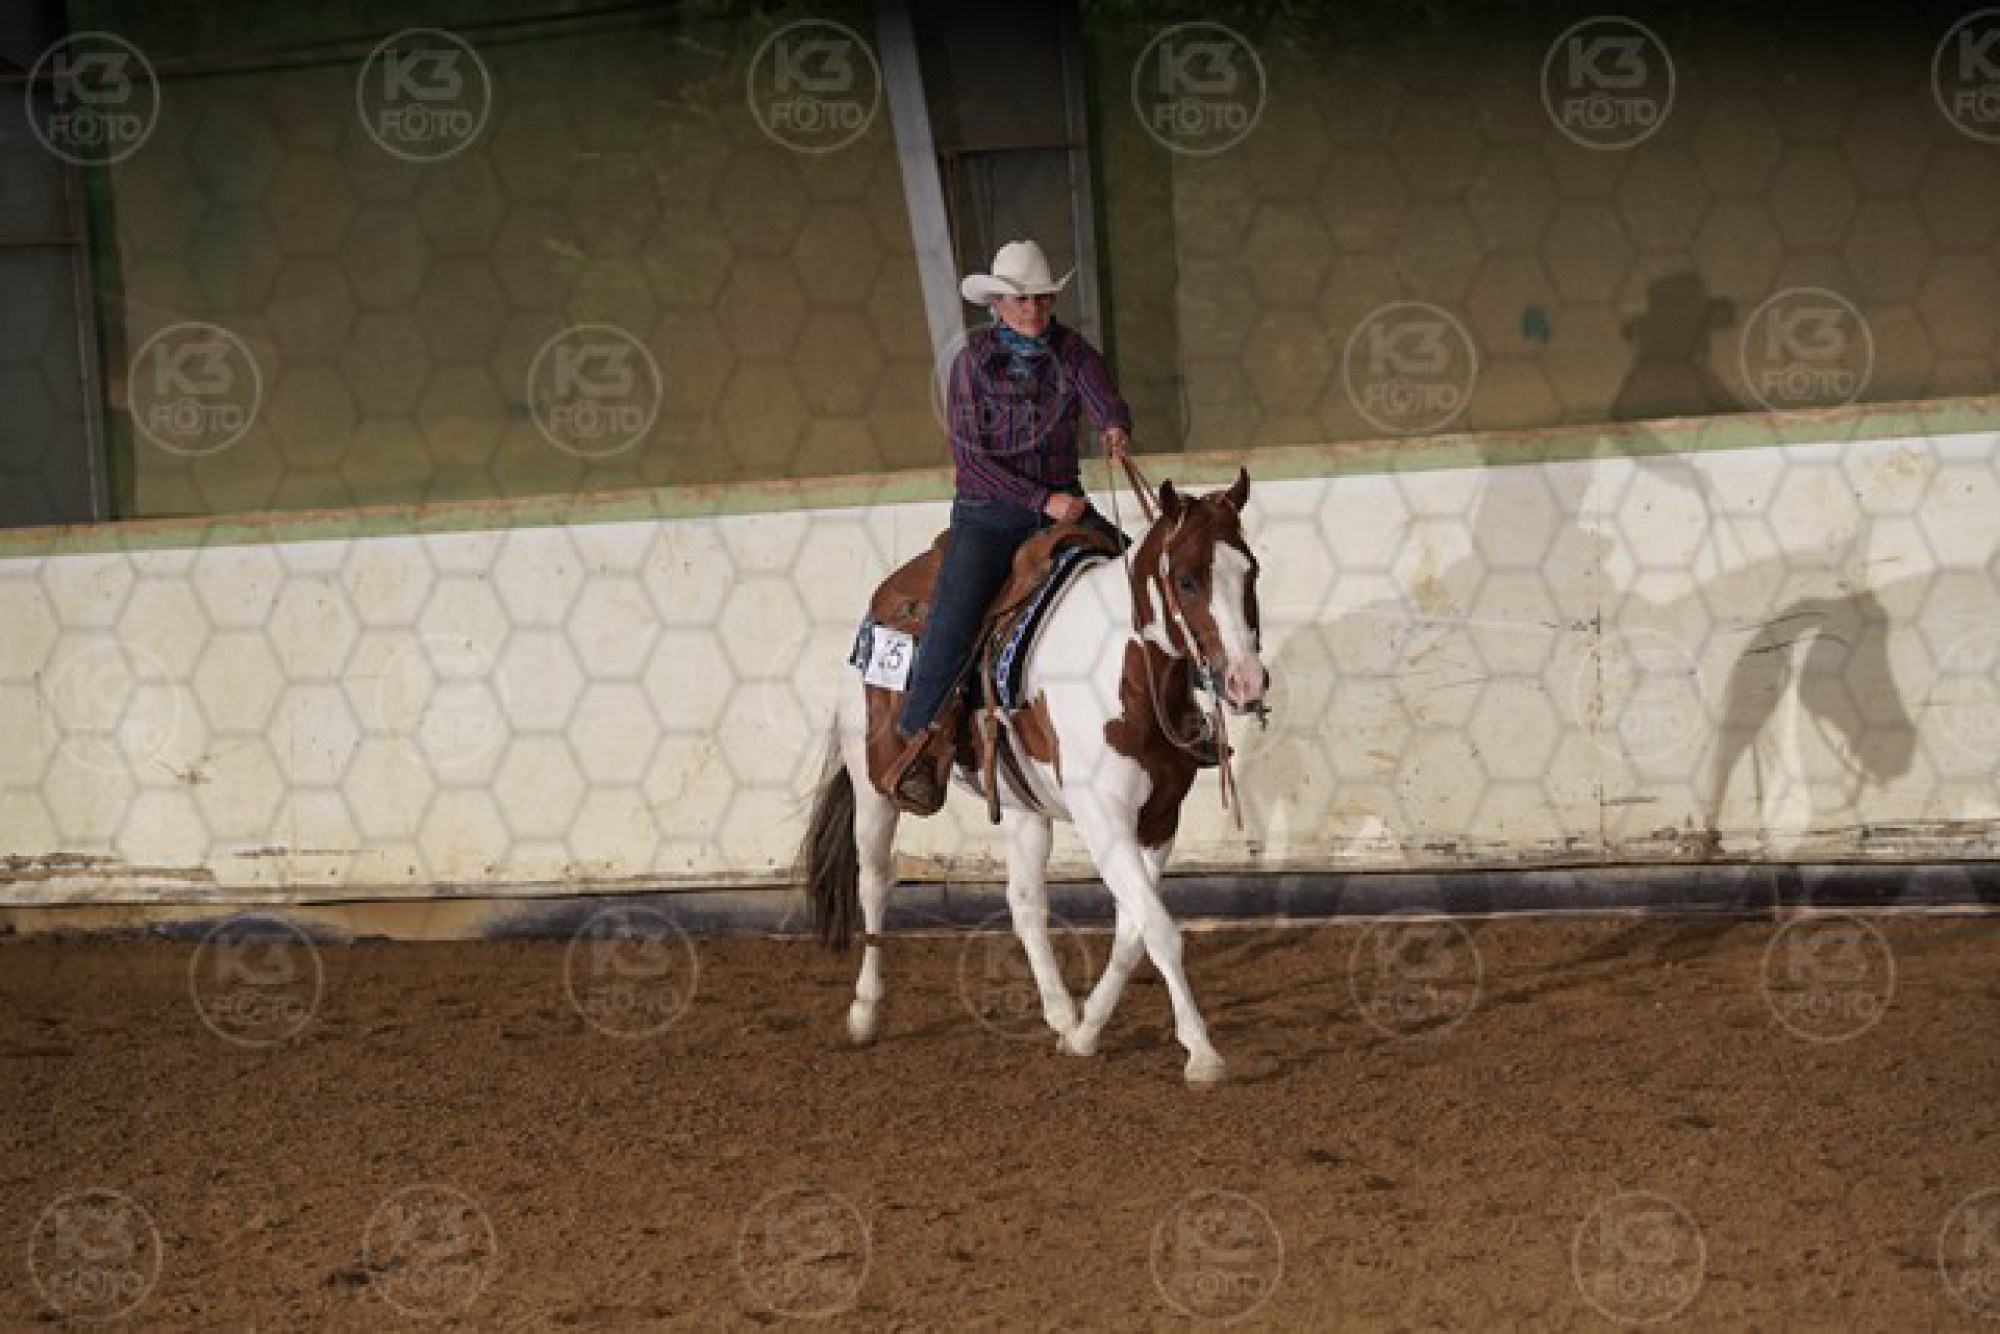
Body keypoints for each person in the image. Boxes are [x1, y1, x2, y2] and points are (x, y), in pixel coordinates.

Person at [890, 239, 1132, 814]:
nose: (1034, 310)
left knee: (1141, 581)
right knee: (955, 616)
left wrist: (1115, 425)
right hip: (990, 515)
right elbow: (973, 462)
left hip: (1063, 505)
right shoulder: (972, 363)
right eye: (1022, 301)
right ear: (996, 303)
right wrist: (1042, 500)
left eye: (1042, 300)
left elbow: (1103, 396)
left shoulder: (1072, 352)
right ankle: (918, 740)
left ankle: (1184, 711)